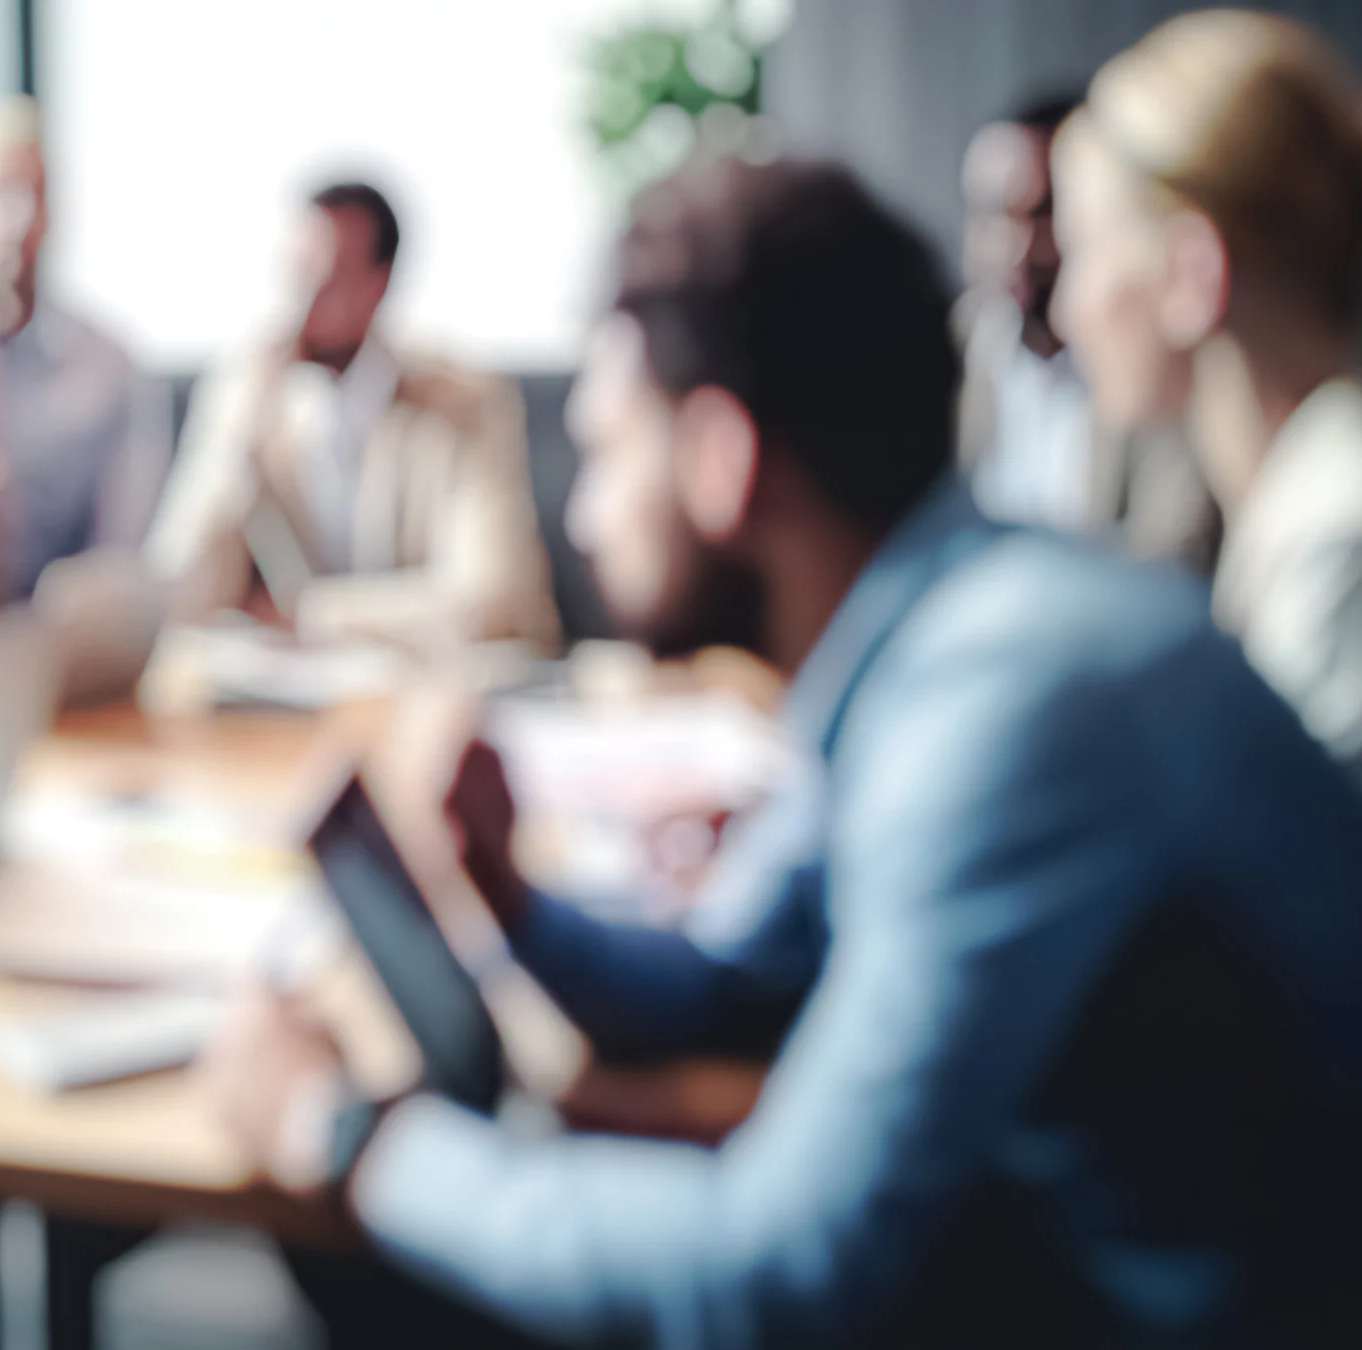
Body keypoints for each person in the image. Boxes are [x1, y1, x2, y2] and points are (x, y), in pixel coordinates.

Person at [202, 158, 1362, 1346]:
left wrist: (341, 1135)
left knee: (403, 1281)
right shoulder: (929, 642)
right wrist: (508, 892)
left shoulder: (1015, 705)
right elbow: (734, 980)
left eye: (605, 454)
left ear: (722, 458)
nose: (588, 517)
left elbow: (782, 1276)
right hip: (1042, 1258)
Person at [1052, 9, 1362, 784]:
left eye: (1084, 250)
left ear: (1194, 275)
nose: (1066, 310)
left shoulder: (1337, 551)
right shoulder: (1294, 510)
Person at [146, 181, 556, 651]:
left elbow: (494, 599)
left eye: (323, 276)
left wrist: (308, 614)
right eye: (292, 272)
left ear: (380, 284)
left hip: (441, 687)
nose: (299, 301)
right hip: (297, 707)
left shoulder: (466, 401)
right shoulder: (250, 396)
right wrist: (233, 446)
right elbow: (176, 592)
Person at [956, 93, 1219, 570]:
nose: (1012, 246)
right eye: (990, 215)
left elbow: (1179, 550)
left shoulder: (1160, 363)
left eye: (1044, 214)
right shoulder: (952, 349)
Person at [0, 98, 172, 607]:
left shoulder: (111, 365)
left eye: (35, 194)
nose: (18, 218)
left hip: (73, 638)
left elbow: (122, 559)